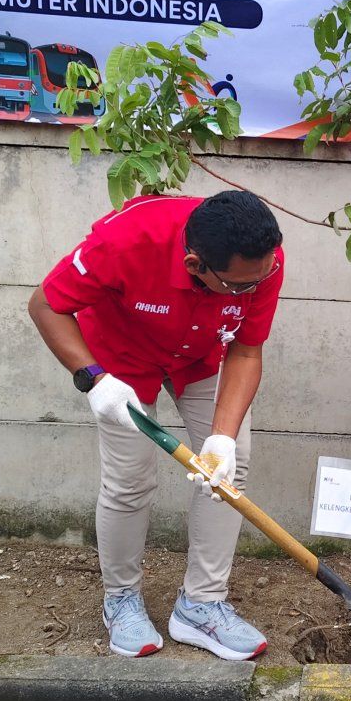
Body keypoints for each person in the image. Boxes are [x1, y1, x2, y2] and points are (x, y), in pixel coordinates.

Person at [28, 190, 285, 660]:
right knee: (130, 481)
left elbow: (247, 350)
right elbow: (46, 305)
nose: (254, 288)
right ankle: (120, 600)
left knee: (230, 469)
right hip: (120, 358)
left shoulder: (259, 263)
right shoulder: (125, 241)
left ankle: (202, 605)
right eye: (239, 287)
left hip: (202, 354)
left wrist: (223, 438)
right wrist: (93, 379)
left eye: (261, 278)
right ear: (195, 266)